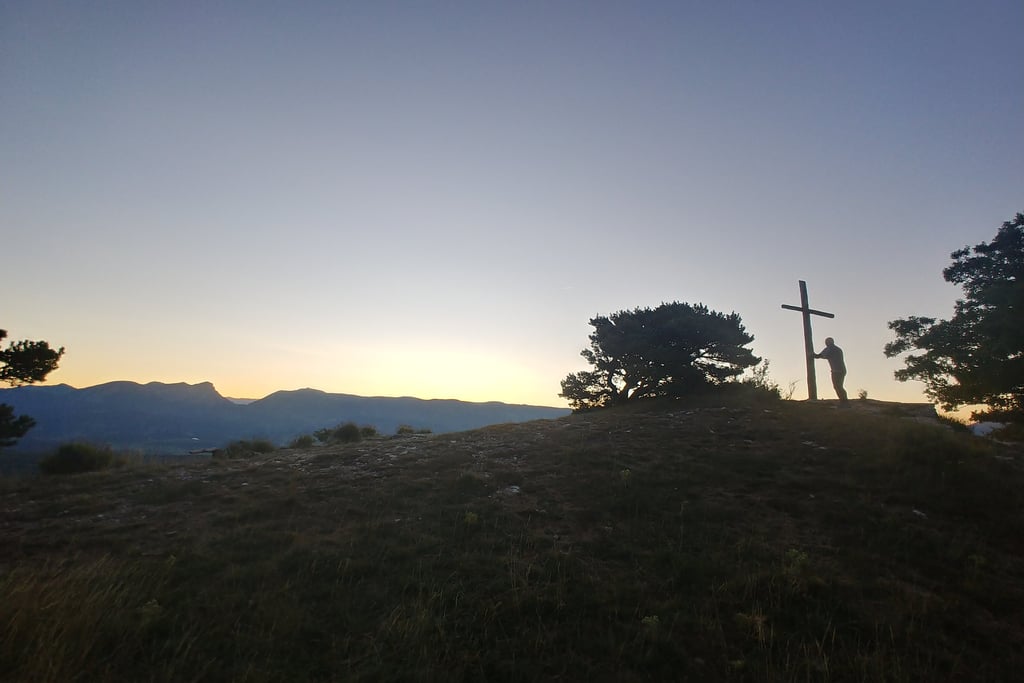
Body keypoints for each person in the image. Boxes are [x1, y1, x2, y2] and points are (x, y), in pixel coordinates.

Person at [814, 337, 848, 403]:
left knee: (838, 387)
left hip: (837, 371)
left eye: (827, 342)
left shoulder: (831, 349)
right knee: (839, 386)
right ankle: (844, 401)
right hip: (841, 370)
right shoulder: (837, 349)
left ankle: (844, 402)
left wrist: (812, 355)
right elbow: (821, 355)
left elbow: (820, 355)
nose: (826, 343)